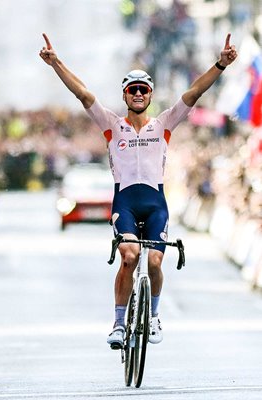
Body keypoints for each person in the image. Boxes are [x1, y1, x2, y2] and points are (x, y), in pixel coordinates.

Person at [39, 33, 237, 349]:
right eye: (133, 90)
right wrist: (55, 63)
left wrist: (220, 64)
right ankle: (119, 323)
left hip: (155, 202)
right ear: (125, 95)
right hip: (126, 202)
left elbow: (194, 92)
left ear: (151, 94)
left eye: (143, 89)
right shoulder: (111, 124)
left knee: (156, 262)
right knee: (129, 256)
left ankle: (154, 316)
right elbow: (83, 94)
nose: (138, 94)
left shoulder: (164, 124)